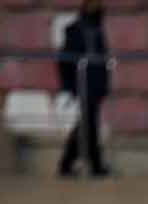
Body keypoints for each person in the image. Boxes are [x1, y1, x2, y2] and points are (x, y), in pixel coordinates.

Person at [57, 0, 111, 178]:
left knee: (88, 122)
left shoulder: (99, 29)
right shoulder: (73, 29)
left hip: (96, 83)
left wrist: (105, 83)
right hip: (82, 83)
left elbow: (103, 58)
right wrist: (69, 86)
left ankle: (73, 162)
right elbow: (65, 62)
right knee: (88, 122)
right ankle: (87, 163)